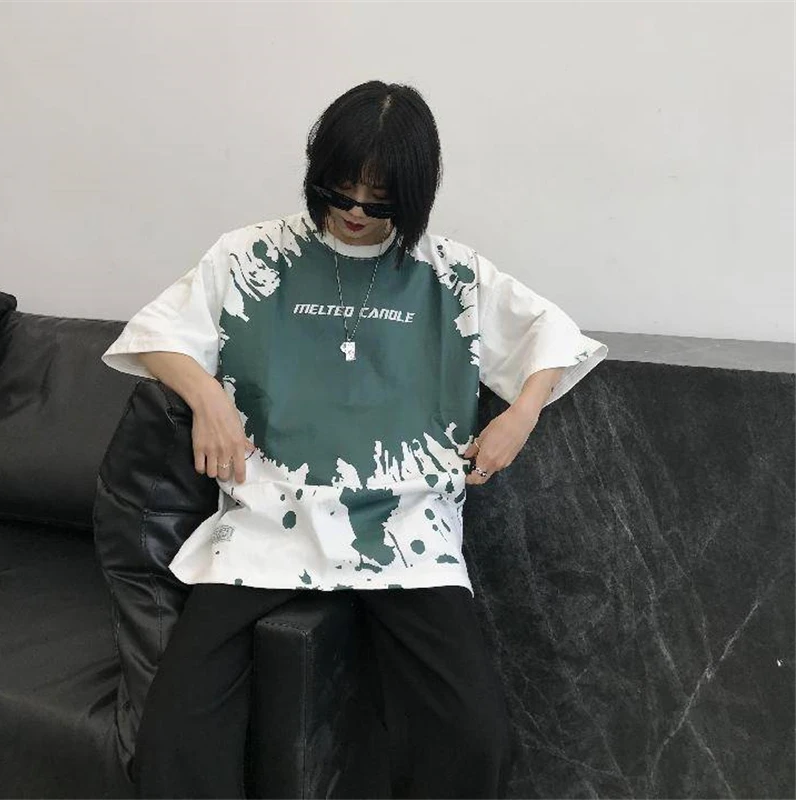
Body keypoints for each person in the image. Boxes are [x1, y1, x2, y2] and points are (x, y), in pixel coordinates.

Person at [101, 79, 608, 799]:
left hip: (409, 534)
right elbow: (156, 333)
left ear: (414, 195)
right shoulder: (252, 255)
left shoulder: (449, 274)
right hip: (264, 524)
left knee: (475, 739)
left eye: (380, 201)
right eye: (340, 192)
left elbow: (551, 336)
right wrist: (206, 396)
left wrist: (520, 414)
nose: (355, 213)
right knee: (172, 740)